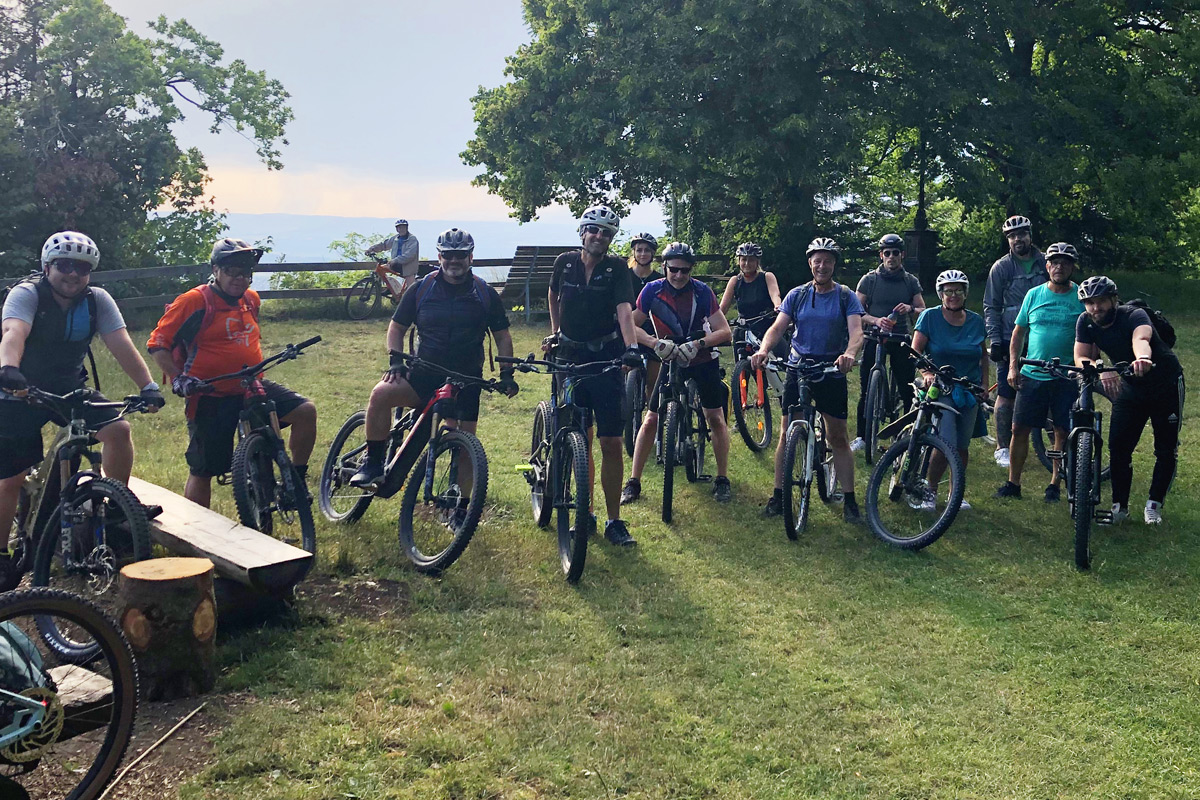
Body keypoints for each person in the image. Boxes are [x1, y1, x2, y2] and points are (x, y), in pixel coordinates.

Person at [1, 231, 164, 572]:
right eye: (65, 265)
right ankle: (1, 555)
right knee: (10, 480)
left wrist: (148, 386)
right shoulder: (27, 294)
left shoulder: (97, 300)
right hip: (18, 389)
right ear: (47, 267)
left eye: (83, 268)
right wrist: (9, 370)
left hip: (68, 387)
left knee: (118, 430)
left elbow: (121, 344)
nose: (73, 274)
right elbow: (13, 333)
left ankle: (117, 504)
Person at [148, 238, 317, 508]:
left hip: (251, 386)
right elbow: (158, 343)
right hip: (209, 393)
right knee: (204, 469)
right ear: (215, 270)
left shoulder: (251, 299)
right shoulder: (194, 301)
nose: (239, 279)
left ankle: (295, 483)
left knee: (305, 412)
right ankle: (196, 526)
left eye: (245, 273)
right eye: (231, 271)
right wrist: (178, 378)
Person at [350, 228, 517, 487]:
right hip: (423, 373)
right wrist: (396, 361)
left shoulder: (485, 293)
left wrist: (507, 373)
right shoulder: (422, 288)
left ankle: (462, 505)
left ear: (470, 257)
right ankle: (372, 463)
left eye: (460, 255)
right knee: (381, 394)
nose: (454, 260)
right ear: (439, 257)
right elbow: (396, 328)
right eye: (448, 255)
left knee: (466, 447)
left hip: (467, 379)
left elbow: (502, 337)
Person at [546, 204, 643, 547]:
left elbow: (624, 311)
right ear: (583, 232)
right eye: (594, 230)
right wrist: (556, 332)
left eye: (606, 232)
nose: (599, 236)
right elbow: (553, 294)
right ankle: (584, 512)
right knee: (578, 436)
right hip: (569, 359)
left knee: (611, 442)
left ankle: (614, 519)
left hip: (606, 358)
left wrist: (632, 347)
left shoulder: (617, 269)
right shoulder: (564, 263)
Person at [750, 237, 865, 522]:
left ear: (834, 264)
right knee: (786, 432)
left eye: (827, 261)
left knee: (838, 436)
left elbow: (856, 332)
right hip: (799, 367)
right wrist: (764, 349)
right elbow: (778, 327)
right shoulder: (797, 295)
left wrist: (849, 354)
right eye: (817, 261)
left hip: (830, 369)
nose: (822, 266)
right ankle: (778, 495)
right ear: (810, 263)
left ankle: (850, 500)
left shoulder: (845, 296)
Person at [622, 242, 734, 504]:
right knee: (651, 419)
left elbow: (724, 331)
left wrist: (699, 344)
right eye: (674, 269)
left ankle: (722, 479)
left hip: (702, 358)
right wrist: (654, 343)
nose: (679, 275)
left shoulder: (702, 292)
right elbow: (630, 324)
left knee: (715, 418)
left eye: (685, 270)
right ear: (664, 267)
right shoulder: (652, 290)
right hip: (670, 357)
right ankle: (633, 482)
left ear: (691, 269)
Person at [1074, 276, 1185, 525]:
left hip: (1165, 383)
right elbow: (1081, 355)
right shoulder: (1085, 321)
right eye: (1089, 303)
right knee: (1119, 447)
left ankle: (1153, 506)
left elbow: (1141, 339)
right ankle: (1119, 508)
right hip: (1131, 388)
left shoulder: (1133, 315)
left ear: (1114, 300)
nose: (1095, 308)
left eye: (1101, 301)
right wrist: (1101, 368)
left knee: (1165, 448)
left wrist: (1143, 359)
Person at [994, 242, 1083, 502]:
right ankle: (1013, 483)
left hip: (1066, 374)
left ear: (1072, 267)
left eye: (1065, 263)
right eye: (1054, 262)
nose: (1059, 267)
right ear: (1047, 266)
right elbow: (1018, 333)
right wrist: (1013, 366)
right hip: (1033, 373)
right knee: (1019, 428)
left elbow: (1090, 334)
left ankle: (1055, 483)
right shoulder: (1034, 295)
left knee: (1062, 431)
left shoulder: (1080, 296)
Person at [911, 270, 988, 511]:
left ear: (965, 293)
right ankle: (930, 491)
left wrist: (984, 385)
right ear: (940, 294)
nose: (953, 295)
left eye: (958, 291)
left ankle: (956, 494)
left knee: (962, 445)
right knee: (946, 442)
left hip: (968, 390)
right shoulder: (929, 317)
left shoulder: (976, 321)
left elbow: (982, 356)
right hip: (941, 389)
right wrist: (926, 373)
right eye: (948, 291)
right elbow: (915, 351)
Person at [852, 233, 925, 453]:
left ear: (902, 255)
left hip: (900, 337)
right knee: (867, 387)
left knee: (907, 388)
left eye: (895, 253)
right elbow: (855, 311)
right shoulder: (869, 280)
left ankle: (909, 435)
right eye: (887, 253)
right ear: (881, 255)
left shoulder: (910, 281)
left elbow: (923, 309)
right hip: (874, 337)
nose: (891, 257)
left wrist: (910, 308)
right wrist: (875, 320)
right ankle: (862, 436)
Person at [983, 215, 1047, 468]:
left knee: (1048, 390)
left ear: (1030, 235)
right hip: (1011, 337)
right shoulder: (1001, 268)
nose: (1017, 239)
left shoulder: (1046, 263)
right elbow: (991, 306)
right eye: (1012, 236)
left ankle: (1054, 445)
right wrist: (995, 340)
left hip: (1042, 337)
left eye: (1021, 234)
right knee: (1006, 393)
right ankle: (1002, 447)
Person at [719, 242, 784, 355]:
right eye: (744, 259)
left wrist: (777, 306)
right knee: (740, 358)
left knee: (783, 355)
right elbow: (722, 308)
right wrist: (713, 321)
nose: (747, 263)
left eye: (751, 260)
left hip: (766, 327)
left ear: (757, 262)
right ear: (739, 261)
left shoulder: (767, 277)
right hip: (743, 328)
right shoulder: (735, 281)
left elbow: (775, 294)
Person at [628, 233, 663, 404]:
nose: (643, 254)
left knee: (653, 382)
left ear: (653, 253)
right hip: (627, 329)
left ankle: (652, 411)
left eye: (647, 250)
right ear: (634, 253)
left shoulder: (659, 279)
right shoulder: (625, 277)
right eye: (639, 250)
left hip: (652, 330)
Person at [365, 219, 421, 295]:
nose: (401, 229)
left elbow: (409, 255)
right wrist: (372, 249)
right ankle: (390, 288)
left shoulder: (412, 239)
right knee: (381, 269)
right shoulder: (395, 238)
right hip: (396, 265)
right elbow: (384, 245)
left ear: (407, 228)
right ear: (396, 229)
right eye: (399, 227)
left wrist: (395, 260)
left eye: (403, 227)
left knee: (411, 291)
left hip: (408, 268)